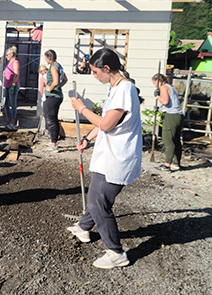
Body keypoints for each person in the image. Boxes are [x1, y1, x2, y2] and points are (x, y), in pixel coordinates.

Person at [69, 48, 143, 269]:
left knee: (99, 203)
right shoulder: (116, 87)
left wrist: (81, 108)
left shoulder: (124, 89)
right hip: (109, 154)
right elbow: (104, 123)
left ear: (107, 68)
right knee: (97, 198)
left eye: (95, 72)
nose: (94, 76)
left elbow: (107, 124)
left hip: (118, 158)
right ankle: (83, 228)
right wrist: (88, 139)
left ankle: (116, 252)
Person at [152, 73, 184, 172]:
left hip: (171, 116)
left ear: (158, 81)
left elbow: (165, 101)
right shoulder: (171, 87)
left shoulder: (163, 87)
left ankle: (166, 165)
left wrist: (157, 96)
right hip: (178, 115)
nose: (154, 85)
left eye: (154, 83)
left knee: (167, 139)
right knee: (176, 140)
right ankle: (176, 163)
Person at [43, 49, 68, 151]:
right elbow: (65, 79)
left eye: (46, 58)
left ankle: (53, 144)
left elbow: (56, 81)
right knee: (53, 118)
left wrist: (49, 88)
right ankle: (53, 140)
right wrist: (58, 87)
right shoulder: (59, 66)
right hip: (58, 96)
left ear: (49, 57)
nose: (46, 60)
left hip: (53, 97)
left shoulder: (53, 67)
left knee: (51, 119)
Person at [3, 47, 20, 129]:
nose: (6, 56)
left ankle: (13, 123)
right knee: (6, 104)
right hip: (6, 86)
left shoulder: (15, 62)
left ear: (11, 54)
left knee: (13, 104)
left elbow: (16, 74)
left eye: (7, 55)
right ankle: (8, 121)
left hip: (13, 85)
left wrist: (13, 84)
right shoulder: (9, 62)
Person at [38, 65, 49, 136]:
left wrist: (43, 97)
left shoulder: (43, 78)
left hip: (46, 98)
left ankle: (46, 130)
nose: (40, 74)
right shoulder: (51, 76)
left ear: (43, 71)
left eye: (40, 72)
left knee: (46, 114)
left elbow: (41, 90)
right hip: (53, 97)